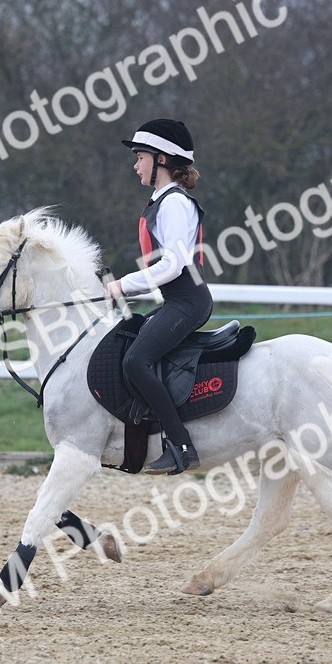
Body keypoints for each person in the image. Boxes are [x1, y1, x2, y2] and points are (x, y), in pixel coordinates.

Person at [105, 119, 213, 475]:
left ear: (162, 159)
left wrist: (123, 284)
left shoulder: (173, 204)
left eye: (140, 157)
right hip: (176, 300)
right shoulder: (160, 201)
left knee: (136, 361)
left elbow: (173, 265)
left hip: (187, 300)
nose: (135, 165)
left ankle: (181, 446)